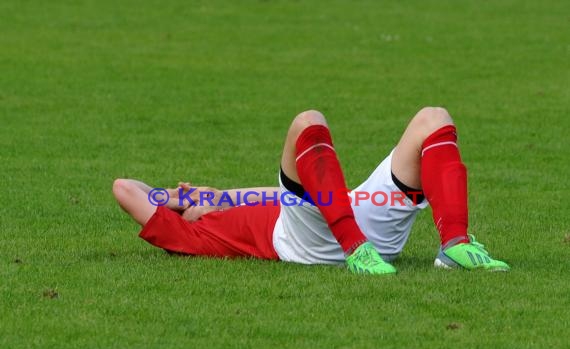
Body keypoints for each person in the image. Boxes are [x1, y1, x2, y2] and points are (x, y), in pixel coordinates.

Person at [112, 107, 510, 275]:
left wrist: (221, 194)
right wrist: (179, 201)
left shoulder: (224, 203)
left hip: (353, 220)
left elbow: (287, 196)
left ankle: (455, 245)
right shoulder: (190, 235)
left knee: (433, 118)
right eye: (182, 195)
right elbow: (126, 189)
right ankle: (357, 250)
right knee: (307, 121)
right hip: (308, 243)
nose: (187, 191)